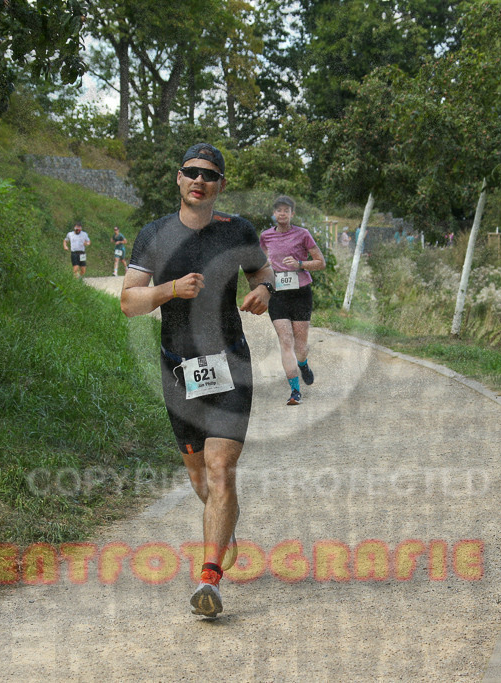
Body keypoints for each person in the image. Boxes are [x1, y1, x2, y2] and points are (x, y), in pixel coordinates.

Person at [120, 143, 274, 618]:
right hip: (177, 367)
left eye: (209, 174)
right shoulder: (155, 235)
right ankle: (223, 522)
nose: (198, 180)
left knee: (220, 467)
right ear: (179, 179)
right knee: (200, 475)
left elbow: (262, 274)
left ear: (221, 185)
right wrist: (170, 289)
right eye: (191, 172)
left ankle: (209, 578)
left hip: (229, 364)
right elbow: (129, 301)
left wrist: (263, 292)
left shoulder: (237, 231)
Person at [259, 195, 326, 405]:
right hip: (278, 294)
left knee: (300, 345)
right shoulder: (265, 237)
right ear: (274, 213)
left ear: (292, 214)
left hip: (300, 293)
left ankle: (303, 363)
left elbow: (320, 262)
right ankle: (295, 392)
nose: (282, 214)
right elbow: (259, 266)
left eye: (286, 211)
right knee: (285, 341)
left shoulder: (303, 234)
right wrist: (265, 265)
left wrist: (299, 264)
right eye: (278, 210)